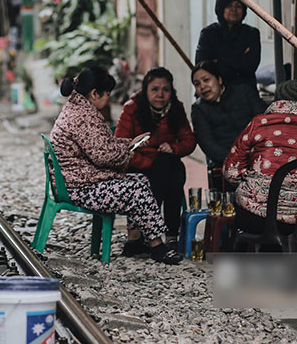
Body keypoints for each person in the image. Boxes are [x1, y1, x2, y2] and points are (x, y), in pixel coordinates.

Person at [50, 67, 182, 264]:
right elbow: (103, 156)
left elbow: (102, 144)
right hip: (80, 188)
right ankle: (157, 246)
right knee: (137, 189)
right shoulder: (82, 117)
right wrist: (128, 153)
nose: (109, 99)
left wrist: (128, 143)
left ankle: (135, 241)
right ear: (94, 93)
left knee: (140, 180)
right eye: (107, 94)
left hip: (78, 181)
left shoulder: (78, 109)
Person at [223, 80, 297, 237]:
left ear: (276, 100)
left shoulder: (258, 124)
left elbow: (231, 172)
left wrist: (255, 183)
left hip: (255, 218)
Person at [115, 67, 196, 254]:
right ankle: (169, 234)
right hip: (137, 165)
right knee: (171, 171)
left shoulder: (176, 108)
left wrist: (174, 148)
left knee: (171, 167)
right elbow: (121, 146)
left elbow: (189, 140)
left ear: (171, 91)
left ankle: (147, 234)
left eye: (165, 89)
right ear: (145, 90)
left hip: (165, 163)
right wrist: (147, 162)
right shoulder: (132, 108)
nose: (160, 94)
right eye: (154, 89)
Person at [190, 60, 267, 189]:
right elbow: (208, 144)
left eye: (206, 80)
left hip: (258, 155)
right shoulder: (199, 109)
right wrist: (236, 160)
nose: (202, 86)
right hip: (227, 164)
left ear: (219, 80)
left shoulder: (244, 92)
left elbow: (264, 122)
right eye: (197, 84)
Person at [195, 0, 261, 90]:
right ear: (221, 8)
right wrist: (238, 62)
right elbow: (202, 67)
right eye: (229, 5)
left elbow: (250, 66)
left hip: (244, 92)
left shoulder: (251, 34)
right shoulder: (208, 33)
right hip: (214, 91)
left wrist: (218, 62)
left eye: (238, 6)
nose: (234, 9)